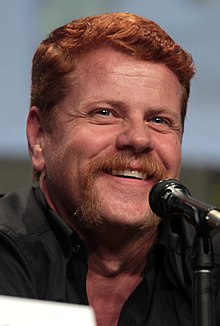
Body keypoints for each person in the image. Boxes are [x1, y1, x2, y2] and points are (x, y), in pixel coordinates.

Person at [0, 12, 219, 326]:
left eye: (159, 120)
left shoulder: (209, 254)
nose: (138, 139)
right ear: (39, 137)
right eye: (105, 113)